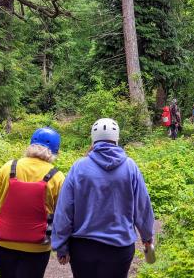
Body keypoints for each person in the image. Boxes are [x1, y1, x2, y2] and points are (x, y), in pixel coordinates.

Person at [52, 118, 155, 278]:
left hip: (83, 248)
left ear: (93, 139)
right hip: (119, 247)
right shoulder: (130, 167)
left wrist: (61, 245)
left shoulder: (79, 167)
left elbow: (64, 209)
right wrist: (147, 236)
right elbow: (142, 206)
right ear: (116, 139)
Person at [0, 127, 65, 278]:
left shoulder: (8, 167)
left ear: (31, 145)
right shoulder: (57, 177)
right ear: (55, 151)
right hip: (38, 247)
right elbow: (63, 213)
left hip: (4, 244)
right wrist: (62, 244)